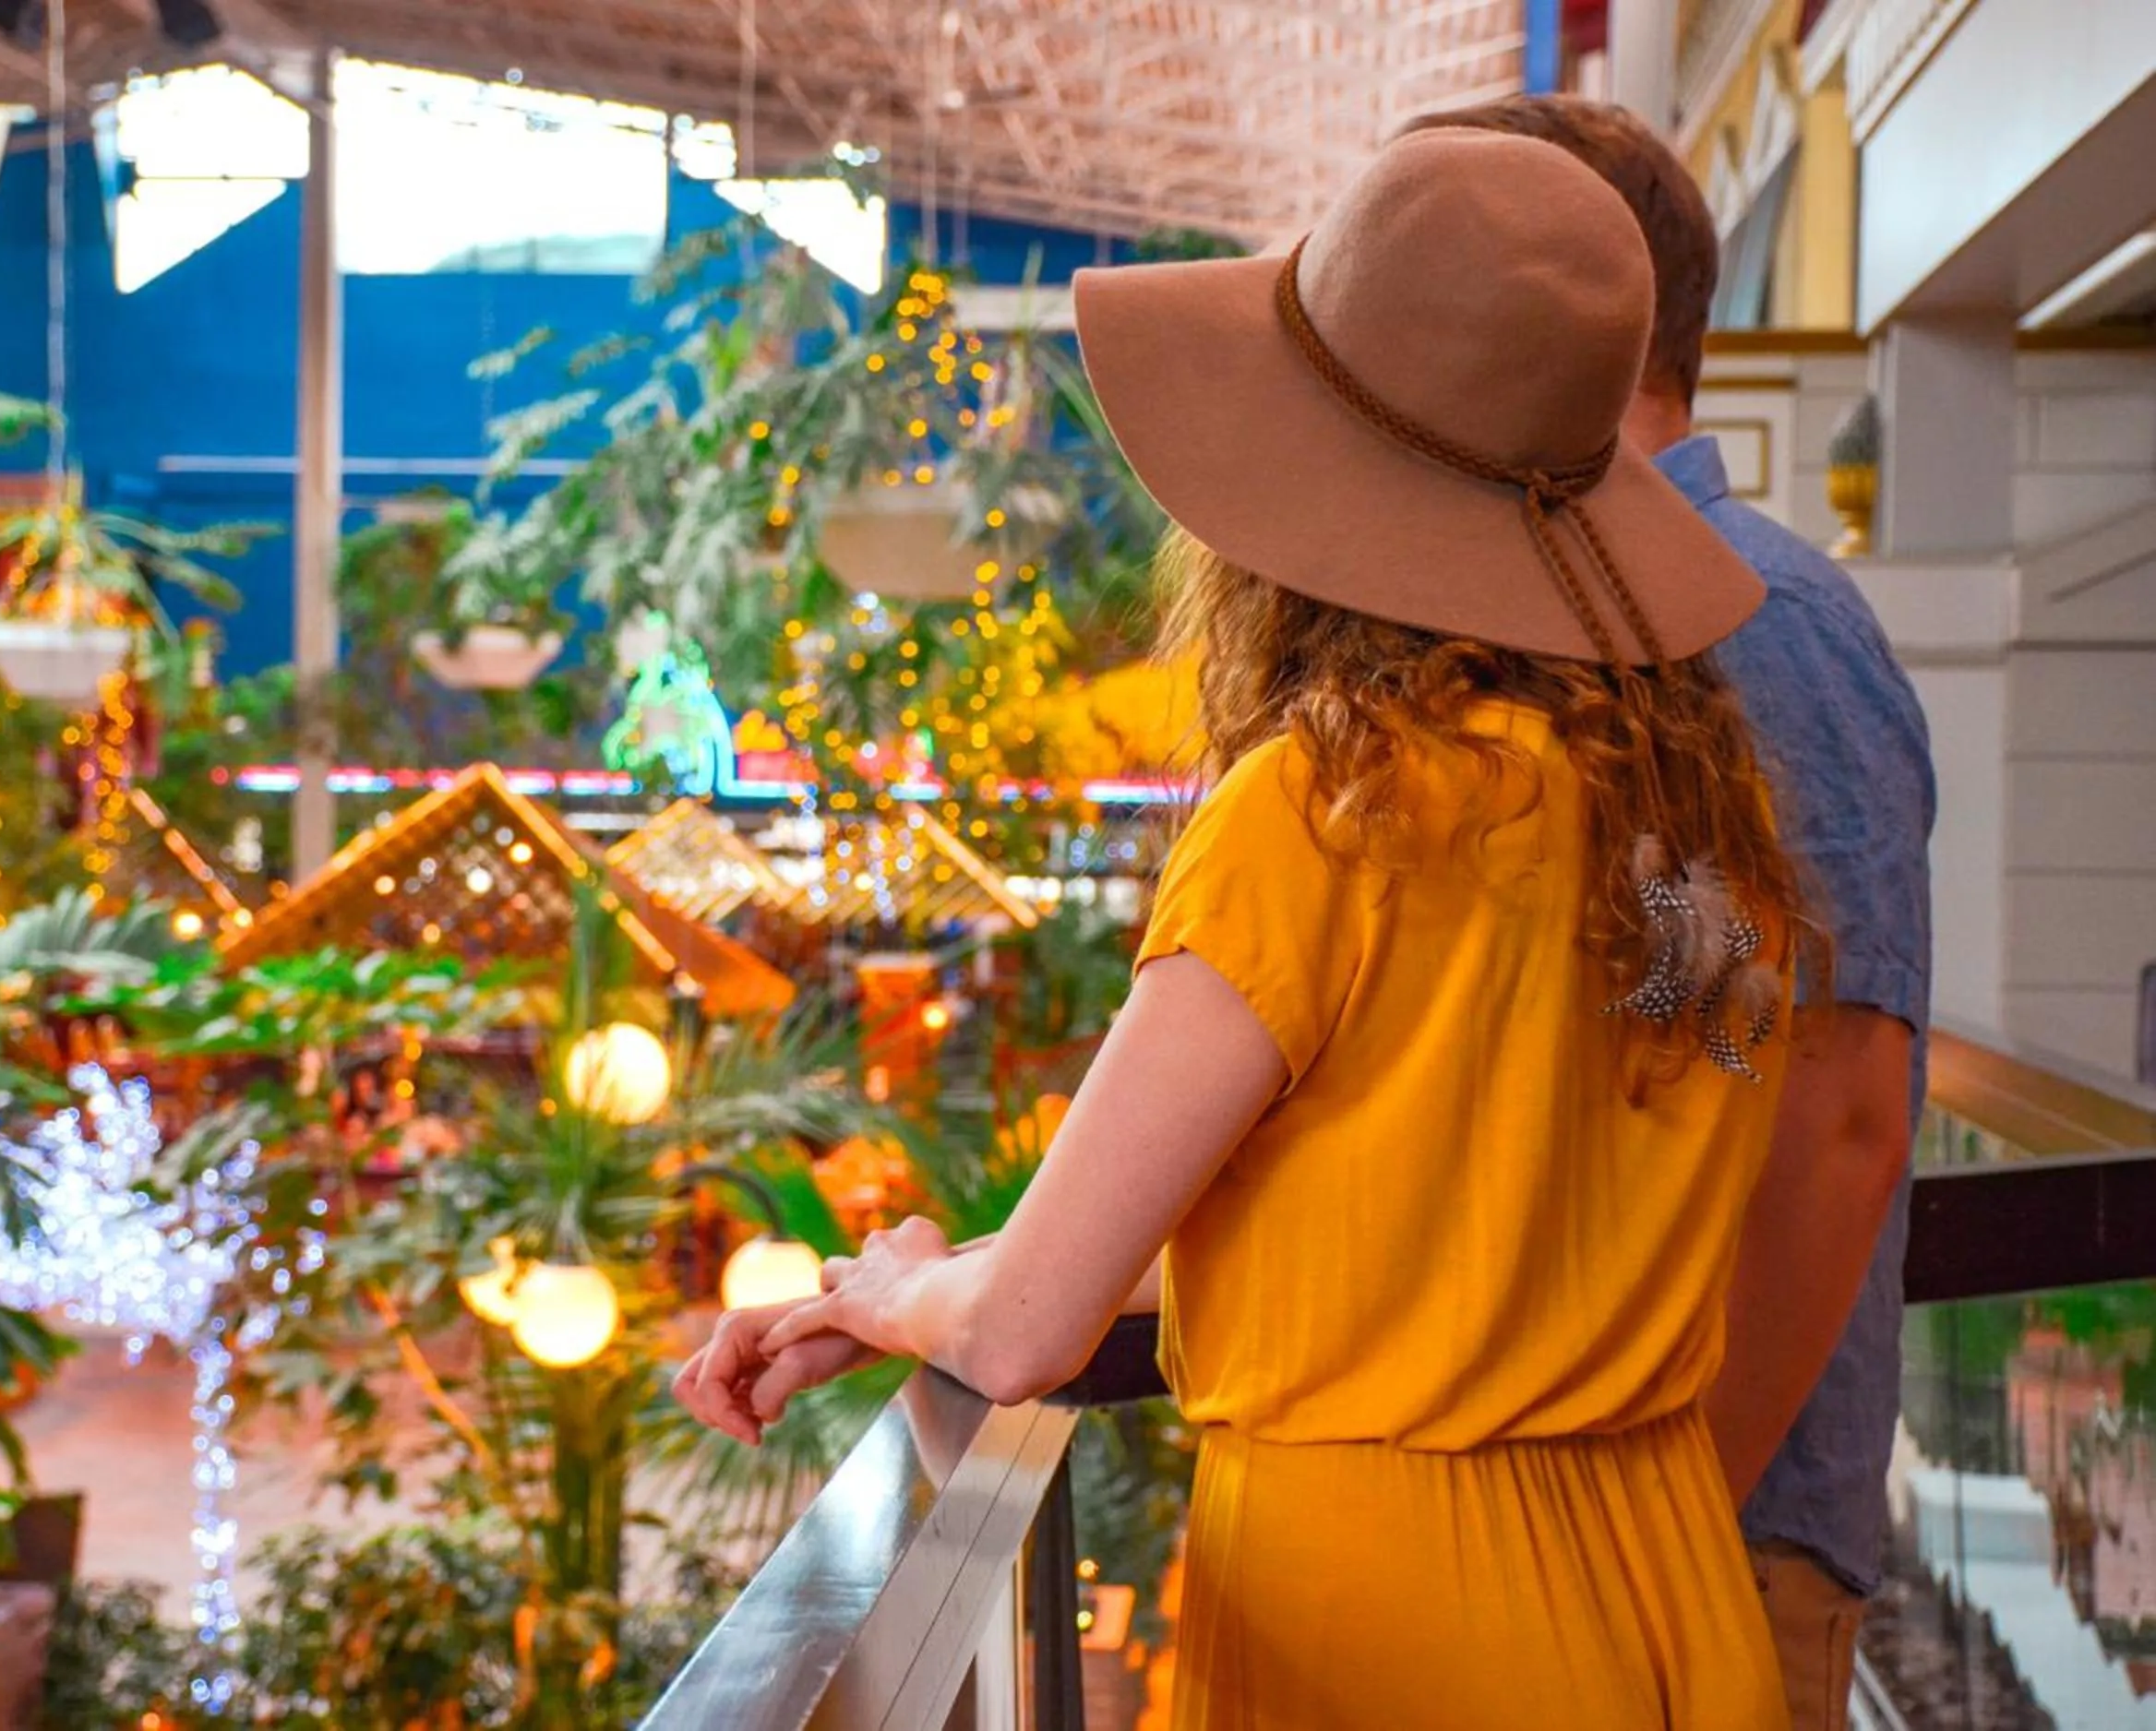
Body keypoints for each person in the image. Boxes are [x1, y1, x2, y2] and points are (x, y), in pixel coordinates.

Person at [679, 127, 1818, 1728]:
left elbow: (1020, 1336)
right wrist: (931, 1287)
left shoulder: (1335, 810)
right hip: (1667, 1583)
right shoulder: (1698, 821)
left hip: (1388, 1630)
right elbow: (1377, 1234)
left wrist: (906, 1293)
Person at [1402, 97, 1934, 1731]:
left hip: (1699, 1545)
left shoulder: (1748, 615)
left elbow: (1834, 1113)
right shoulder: (1592, 606)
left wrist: (1659, 1531)